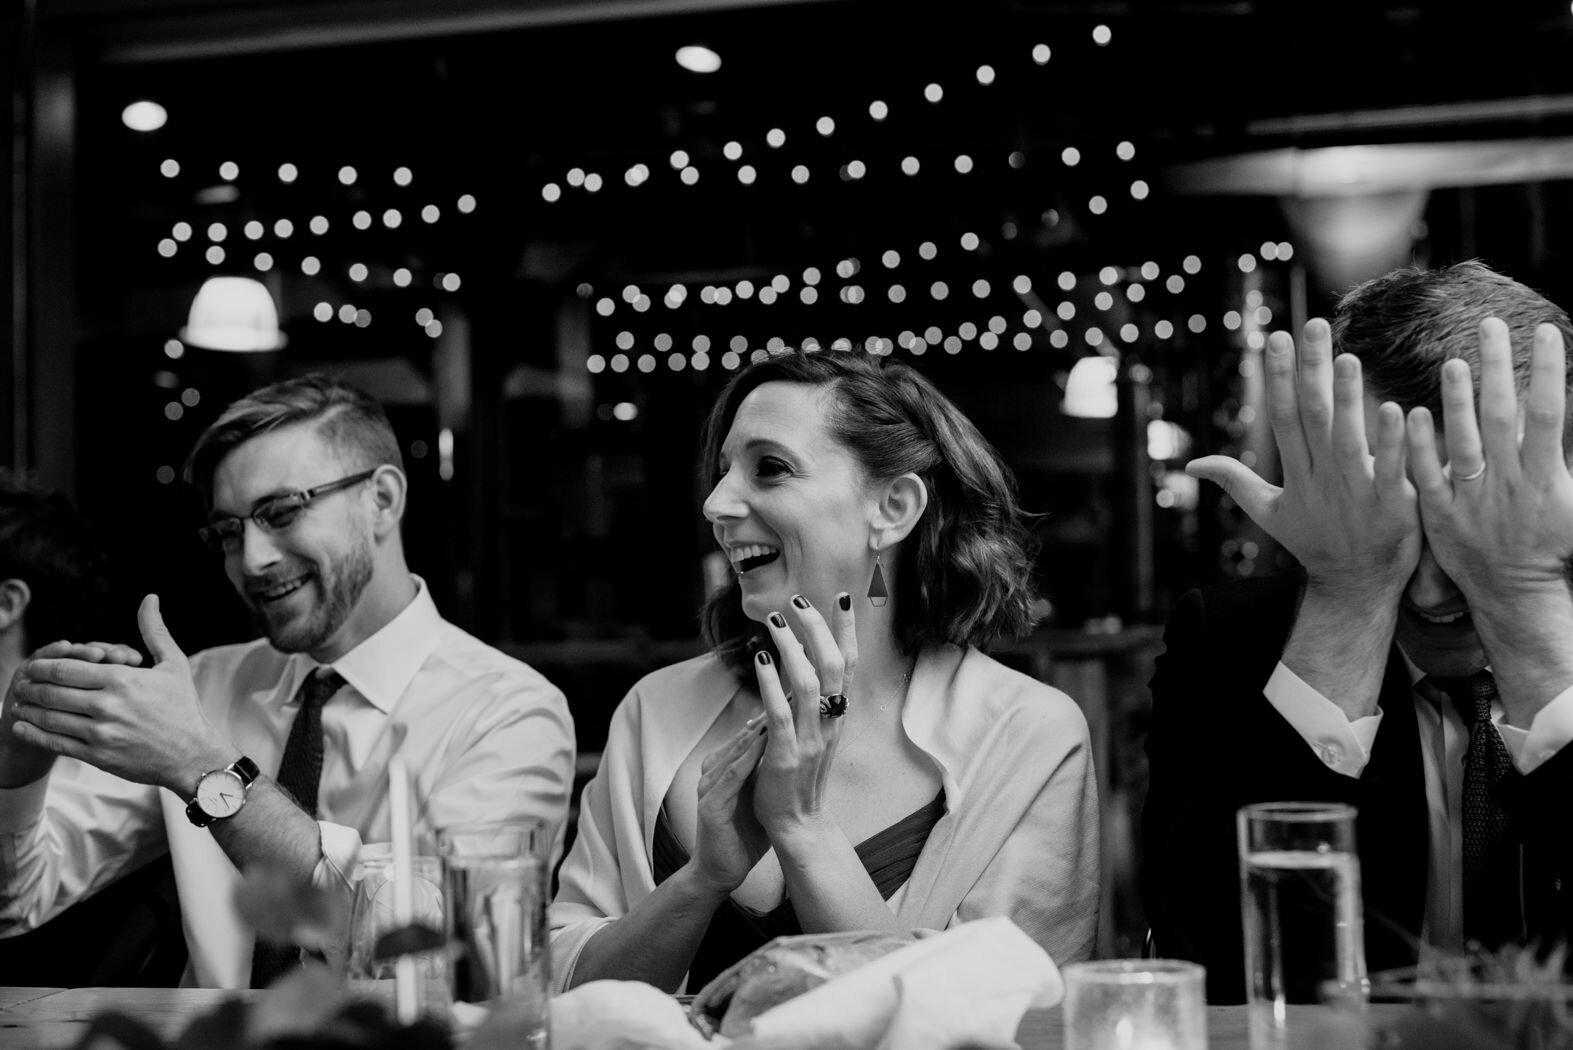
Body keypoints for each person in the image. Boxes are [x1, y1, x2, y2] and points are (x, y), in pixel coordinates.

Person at [550, 349, 1100, 993]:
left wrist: (802, 829)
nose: (717, 503)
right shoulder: (656, 709)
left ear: (892, 508)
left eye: (771, 469)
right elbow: (562, 985)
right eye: (724, 472)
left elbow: (1015, 1017)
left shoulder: (1028, 735)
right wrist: (700, 881)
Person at [0, 375, 575, 988]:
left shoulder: (510, 710)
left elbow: (452, 960)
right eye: (228, 532)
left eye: (280, 513)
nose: (251, 560)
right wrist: (19, 758)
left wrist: (202, 768)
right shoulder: (203, 686)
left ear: (382, 499)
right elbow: (17, 897)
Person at [1143, 261, 1573, 1003]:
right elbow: (1204, 961)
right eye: (1390, 507)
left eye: (1476, 514)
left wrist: (1521, 595)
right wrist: (1348, 593)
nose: (1435, 586)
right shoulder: (1229, 639)